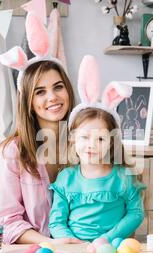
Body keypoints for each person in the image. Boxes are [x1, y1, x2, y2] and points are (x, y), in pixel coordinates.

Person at [0, 13, 83, 245]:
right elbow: (7, 223)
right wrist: (50, 243)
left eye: (58, 87)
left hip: (86, 251)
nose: (52, 97)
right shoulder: (10, 154)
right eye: (40, 92)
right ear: (28, 102)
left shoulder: (86, 142)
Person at [48, 55, 146, 242]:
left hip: (112, 248)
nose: (91, 145)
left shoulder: (124, 176)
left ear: (111, 142)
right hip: (73, 250)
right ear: (73, 139)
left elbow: (136, 213)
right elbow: (56, 222)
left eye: (100, 138)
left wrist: (107, 239)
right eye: (84, 137)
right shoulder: (66, 179)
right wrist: (69, 241)